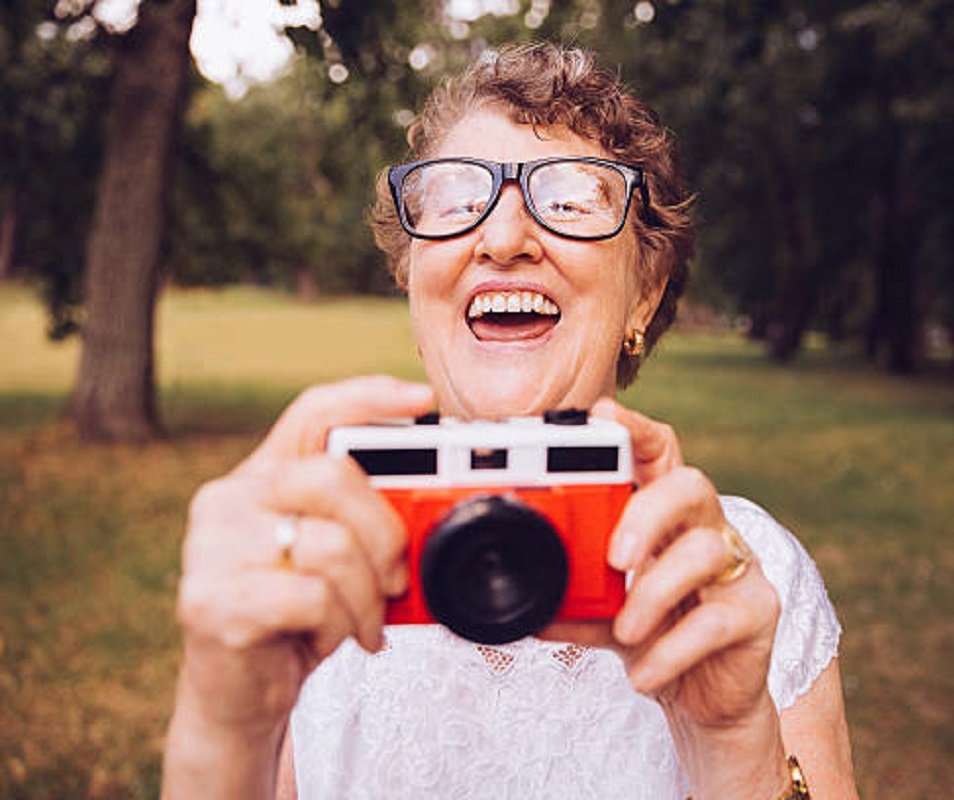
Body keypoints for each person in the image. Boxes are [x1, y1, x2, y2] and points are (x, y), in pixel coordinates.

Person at [162, 42, 857, 799]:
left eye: (569, 201)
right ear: (413, 276)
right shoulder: (317, 561)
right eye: (458, 200)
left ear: (646, 293)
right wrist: (223, 731)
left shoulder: (736, 576)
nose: (501, 239)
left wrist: (731, 745)